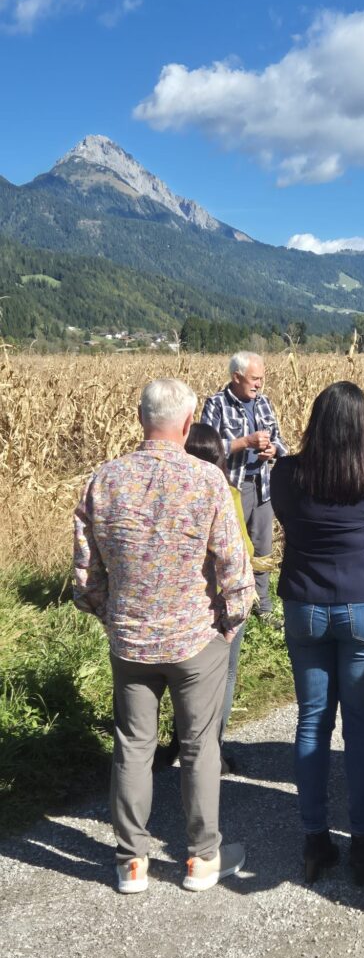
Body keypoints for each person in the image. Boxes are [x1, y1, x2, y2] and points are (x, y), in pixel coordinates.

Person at [73, 379, 255, 894]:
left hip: (130, 641)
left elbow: (85, 577)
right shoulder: (206, 480)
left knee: (133, 745)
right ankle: (201, 860)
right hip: (196, 638)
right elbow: (234, 568)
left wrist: (113, 617)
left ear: (139, 419)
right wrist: (230, 622)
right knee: (199, 746)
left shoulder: (103, 481)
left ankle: (131, 861)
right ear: (190, 422)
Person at [270, 382, 364, 887]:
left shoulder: (288, 474)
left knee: (312, 721)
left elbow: (285, 517)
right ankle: (363, 845)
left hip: (305, 605)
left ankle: (314, 838)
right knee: (362, 727)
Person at [156, 423, 258, 775]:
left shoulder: (164, 490)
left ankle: (173, 745)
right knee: (222, 677)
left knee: (171, 678)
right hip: (218, 605)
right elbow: (241, 551)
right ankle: (210, 749)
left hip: (174, 604)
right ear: (218, 456)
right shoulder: (225, 492)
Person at [202, 352, 287, 618]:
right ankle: (231, 607)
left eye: (261, 378)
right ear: (236, 377)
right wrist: (244, 443)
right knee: (231, 548)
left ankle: (263, 606)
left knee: (262, 548)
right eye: (254, 379)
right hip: (232, 488)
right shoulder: (216, 404)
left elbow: (281, 442)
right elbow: (206, 450)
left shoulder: (264, 404)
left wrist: (273, 450)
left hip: (262, 484)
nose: (259, 384)